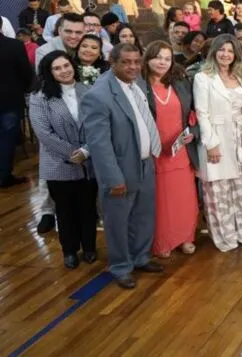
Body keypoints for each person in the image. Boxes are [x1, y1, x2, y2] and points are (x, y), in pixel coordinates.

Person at [81, 43, 164, 289]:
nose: (133, 67)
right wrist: (112, 178)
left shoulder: (136, 83)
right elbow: (99, 144)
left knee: (143, 216)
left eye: (137, 61)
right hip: (120, 169)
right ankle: (120, 266)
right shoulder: (98, 95)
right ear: (112, 61)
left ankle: (140, 257)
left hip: (145, 162)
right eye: (126, 62)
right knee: (118, 221)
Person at [29, 51, 96, 269]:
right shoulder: (40, 98)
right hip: (58, 164)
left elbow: (98, 124)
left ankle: (90, 248)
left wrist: (86, 151)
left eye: (66, 65)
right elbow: (44, 134)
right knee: (65, 211)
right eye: (57, 68)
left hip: (88, 162)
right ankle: (69, 251)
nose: (64, 71)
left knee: (87, 208)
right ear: (49, 72)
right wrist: (72, 153)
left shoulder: (88, 91)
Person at [193, 35, 242, 252]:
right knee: (219, 192)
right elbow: (202, 113)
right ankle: (226, 239)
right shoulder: (203, 77)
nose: (225, 54)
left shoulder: (241, 75)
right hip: (217, 140)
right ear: (214, 51)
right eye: (221, 50)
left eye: (230, 51)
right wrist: (211, 143)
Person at [142, 41, 200, 258]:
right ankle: (163, 240)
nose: (162, 62)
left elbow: (192, 112)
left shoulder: (179, 83)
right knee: (161, 201)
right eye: (158, 57)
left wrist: (192, 131)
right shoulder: (139, 86)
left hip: (181, 150)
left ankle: (186, 237)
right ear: (147, 58)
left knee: (184, 198)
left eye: (167, 58)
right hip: (155, 152)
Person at [0, 33, 34, 188]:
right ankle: (4, 176)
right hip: (9, 99)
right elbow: (26, 72)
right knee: (7, 139)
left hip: (10, 99)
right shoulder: (14, 45)